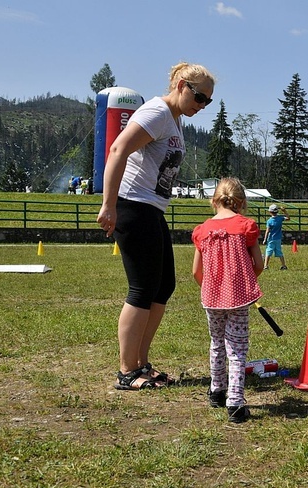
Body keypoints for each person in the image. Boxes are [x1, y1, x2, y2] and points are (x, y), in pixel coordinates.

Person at [97, 62, 215, 390]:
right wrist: (108, 204)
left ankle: (140, 362)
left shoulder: (173, 120)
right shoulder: (157, 112)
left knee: (163, 286)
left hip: (151, 208)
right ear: (180, 84)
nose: (202, 105)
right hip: (132, 205)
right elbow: (118, 148)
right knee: (142, 288)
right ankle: (127, 371)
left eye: (208, 101)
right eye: (199, 96)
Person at [192, 177, 264, 424]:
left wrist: (211, 287)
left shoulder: (202, 230)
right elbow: (258, 264)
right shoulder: (246, 226)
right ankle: (235, 401)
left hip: (211, 297)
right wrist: (242, 283)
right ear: (241, 203)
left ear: (214, 201)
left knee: (216, 343)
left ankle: (216, 390)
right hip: (239, 297)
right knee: (237, 348)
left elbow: (195, 271)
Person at [262, 204, 289, 270]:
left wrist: (265, 239)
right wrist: (284, 211)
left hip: (271, 239)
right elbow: (288, 218)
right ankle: (284, 265)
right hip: (278, 239)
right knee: (279, 252)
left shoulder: (269, 221)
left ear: (270, 212)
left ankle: (265, 266)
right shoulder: (280, 218)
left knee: (268, 252)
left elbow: (267, 231)